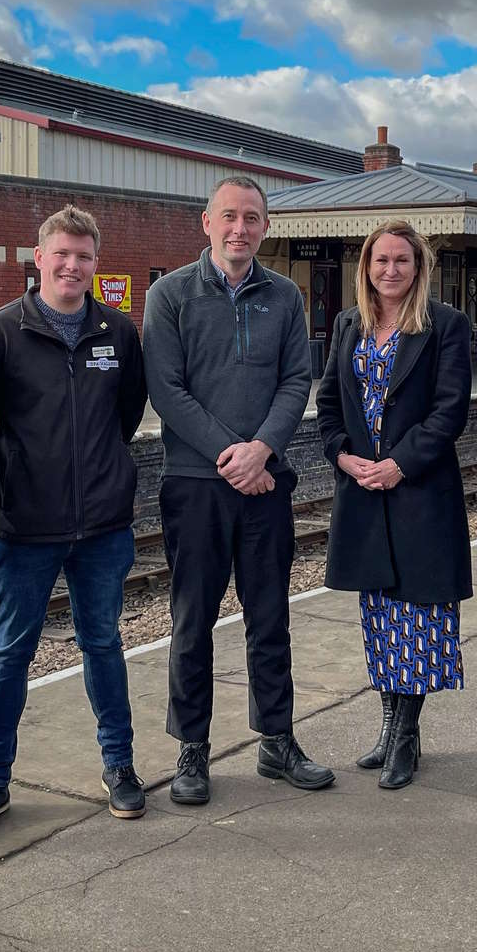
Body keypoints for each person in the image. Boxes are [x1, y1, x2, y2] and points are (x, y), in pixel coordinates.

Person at [0, 205, 148, 837]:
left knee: (104, 646)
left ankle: (119, 767)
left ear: (96, 263)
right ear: (37, 259)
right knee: (10, 652)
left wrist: (99, 477)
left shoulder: (117, 333)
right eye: (61, 254)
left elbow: (126, 416)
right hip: (25, 527)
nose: (72, 266)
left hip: (102, 527)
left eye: (84, 256)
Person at [143, 175, 333, 805]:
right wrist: (232, 454)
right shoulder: (169, 295)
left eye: (252, 218)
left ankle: (276, 741)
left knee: (269, 616)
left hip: (265, 482)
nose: (240, 229)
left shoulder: (284, 297)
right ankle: (192, 748)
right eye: (229, 216)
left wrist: (262, 452)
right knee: (192, 619)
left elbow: (296, 379)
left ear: (266, 227)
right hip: (196, 485)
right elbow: (168, 390)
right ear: (206, 223)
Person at [315, 220, 472, 789]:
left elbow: (449, 411)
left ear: (418, 266)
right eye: (380, 261)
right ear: (366, 267)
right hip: (362, 495)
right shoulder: (348, 325)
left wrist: (400, 463)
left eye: (401, 260)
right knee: (381, 620)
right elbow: (329, 404)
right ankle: (388, 726)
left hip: (420, 493)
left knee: (421, 621)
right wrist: (343, 458)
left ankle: (405, 736)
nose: (390, 270)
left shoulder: (445, 327)